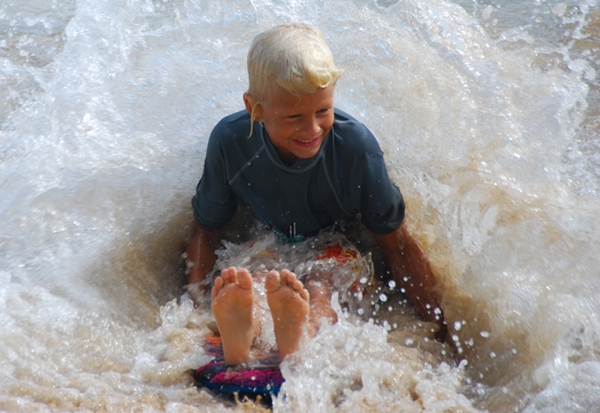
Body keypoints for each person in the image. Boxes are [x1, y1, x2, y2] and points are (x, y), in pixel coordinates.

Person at [184, 23, 446, 366]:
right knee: (256, 281)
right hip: (271, 243)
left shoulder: (356, 150)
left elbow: (396, 243)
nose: (312, 129)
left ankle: (300, 335)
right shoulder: (230, 143)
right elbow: (206, 230)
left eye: (323, 111)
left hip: (339, 248)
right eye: (294, 117)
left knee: (321, 286)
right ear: (254, 108)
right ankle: (245, 331)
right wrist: (197, 309)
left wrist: (439, 326)